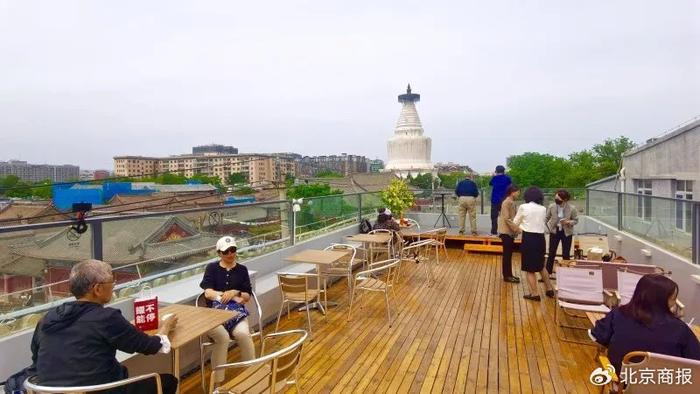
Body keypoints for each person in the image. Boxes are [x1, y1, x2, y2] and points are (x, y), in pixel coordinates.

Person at [30, 260, 179, 394]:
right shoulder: (106, 318)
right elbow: (152, 346)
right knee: (168, 381)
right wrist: (166, 326)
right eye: (111, 283)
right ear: (97, 289)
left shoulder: (46, 319)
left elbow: (36, 360)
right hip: (100, 391)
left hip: (49, 392)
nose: (113, 288)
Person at [591, 274, 700, 375]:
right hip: (666, 384)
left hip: (623, 381)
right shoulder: (680, 328)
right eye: (673, 298)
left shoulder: (618, 314)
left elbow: (599, 337)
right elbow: (695, 360)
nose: (674, 302)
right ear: (662, 301)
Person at [200, 236, 256, 384]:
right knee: (222, 338)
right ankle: (217, 383)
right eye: (226, 252)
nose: (230, 254)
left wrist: (235, 292)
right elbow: (207, 293)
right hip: (214, 315)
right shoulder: (212, 268)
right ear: (219, 253)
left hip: (235, 313)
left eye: (233, 250)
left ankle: (251, 376)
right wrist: (226, 295)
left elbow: (247, 296)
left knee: (244, 334)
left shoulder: (242, 270)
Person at [513, 187, 555, 301]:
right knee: (541, 266)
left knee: (529, 268)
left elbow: (515, 223)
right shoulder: (542, 208)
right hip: (541, 238)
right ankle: (549, 289)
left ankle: (534, 294)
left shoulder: (523, 207)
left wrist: (522, 227)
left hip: (529, 238)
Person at [545, 189, 578, 275]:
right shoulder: (552, 206)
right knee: (551, 252)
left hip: (566, 232)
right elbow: (546, 218)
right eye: (556, 198)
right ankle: (547, 273)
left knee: (566, 253)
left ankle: (566, 274)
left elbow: (576, 220)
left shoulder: (572, 208)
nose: (556, 200)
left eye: (558, 198)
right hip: (555, 231)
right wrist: (547, 228)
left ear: (565, 199)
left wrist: (568, 222)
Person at [497, 185, 521, 283]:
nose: (519, 194)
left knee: (509, 254)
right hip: (506, 232)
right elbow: (507, 218)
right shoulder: (507, 202)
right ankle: (507, 276)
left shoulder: (511, 202)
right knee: (507, 254)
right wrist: (517, 229)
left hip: (509, 232)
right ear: (512, 192)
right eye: (518, 192)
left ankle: (509, 274)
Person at [489, 165, 512, 235]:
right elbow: (510, 185)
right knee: (505, 216)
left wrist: (494, 175)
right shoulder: (507, 178)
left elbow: (490, 184)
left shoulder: (494, 178)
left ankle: (494, 231)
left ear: (496, 171)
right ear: (504, 171)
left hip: (495, 200)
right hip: (504, 199)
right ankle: (505, 231)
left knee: (494, 216)